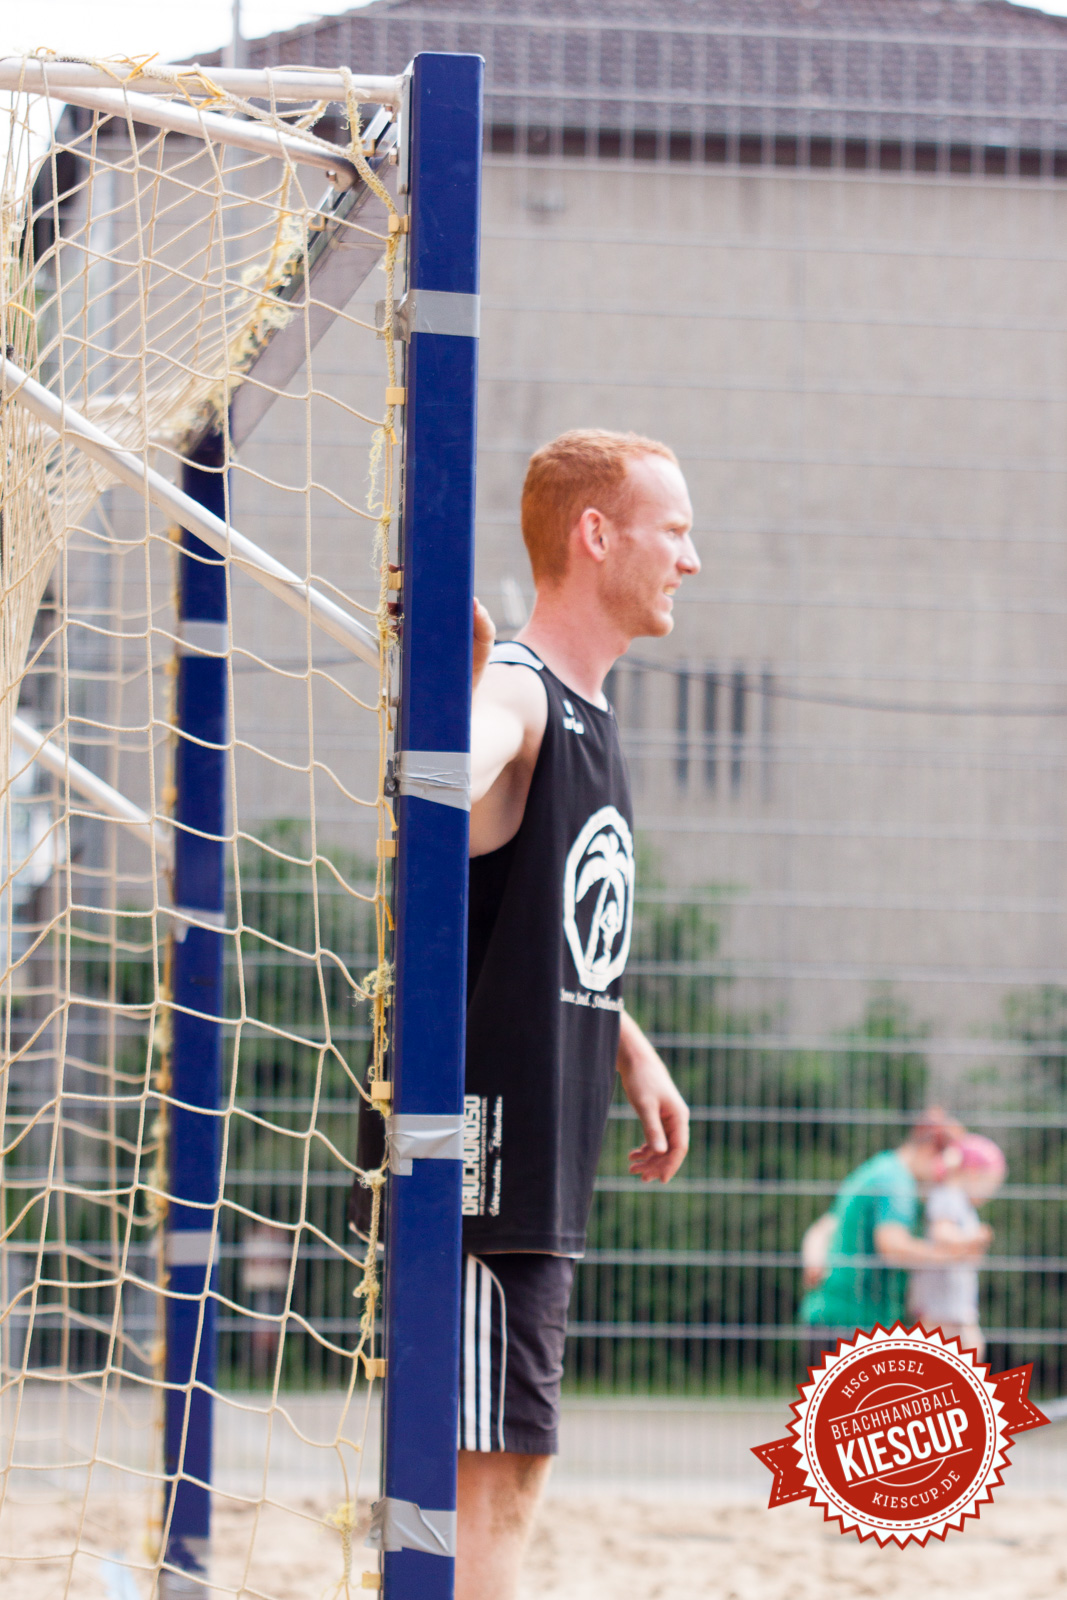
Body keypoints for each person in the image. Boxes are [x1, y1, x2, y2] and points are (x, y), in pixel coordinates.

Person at [458, 430, 698, 1599]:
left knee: (512, 1478)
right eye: (674, 531)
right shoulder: (516, 688)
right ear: (595, 534)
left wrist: (628, 1048)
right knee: (480, 1492)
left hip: (539, 1164)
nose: (689, 559)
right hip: (478, 1167)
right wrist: (441, 724)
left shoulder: (589, 709)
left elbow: (545, 915)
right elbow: (447, 786)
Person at [799, 1110, 992, 1341]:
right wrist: (952, 1256)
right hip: (855, 1321)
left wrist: (813, 1258)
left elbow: (823, 1227)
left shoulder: (879, 1168)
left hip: (829, 1313)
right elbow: (893, 1247)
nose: (945, 1176)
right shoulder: (897, 1183)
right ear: (931, 1150)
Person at [908, 1132, 1005, 1358]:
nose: (991, 1193)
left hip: (955, 1303)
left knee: (970, 1351)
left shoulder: (962, 1203)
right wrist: (972, 1240)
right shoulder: (948, 1196)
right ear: (973, 1174)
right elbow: (942, 1233)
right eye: (990, 1184)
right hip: (939, 1305)